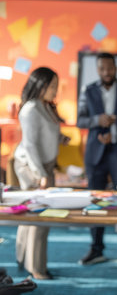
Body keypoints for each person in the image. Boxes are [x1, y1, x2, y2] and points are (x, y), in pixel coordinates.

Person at [77, 52, 117, 267]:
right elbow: (80, 120)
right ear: (97, 69)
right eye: (102, 69)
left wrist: (115, 135)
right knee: (94, 200)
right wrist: (98, 120)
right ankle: (96, 249)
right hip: (95, 151)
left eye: (110, 68)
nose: (106, 72)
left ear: (116, 68)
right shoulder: (88, 90)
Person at [14, 67, 70, 280]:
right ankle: (36, 268)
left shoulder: (44, 107)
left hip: (44, 166)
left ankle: (24, 259)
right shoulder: (30, 109)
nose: (55, 90)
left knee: (31, 216)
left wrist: (60, 138)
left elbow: (45, 134)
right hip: (33, 167)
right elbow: (30, 145)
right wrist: (40, 174)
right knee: (39, 217)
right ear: (40, 85)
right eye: (52, 86)